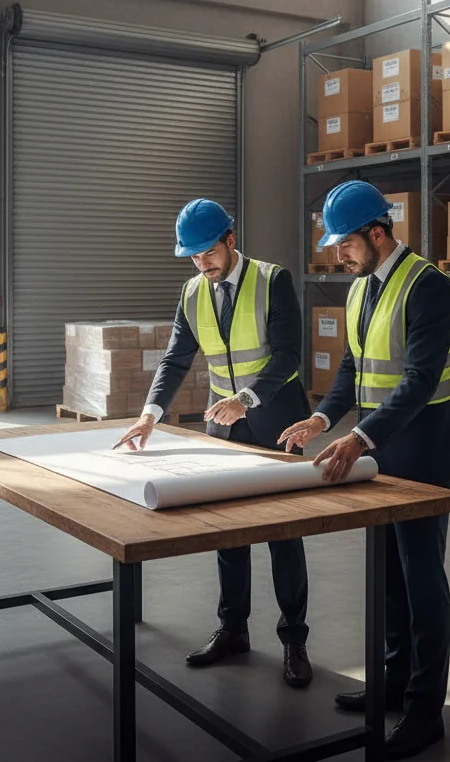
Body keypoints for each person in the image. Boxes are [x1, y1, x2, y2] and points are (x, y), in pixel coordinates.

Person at [278, 180, 450, 760]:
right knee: (387, 571)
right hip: (382, 447)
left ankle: (423, 711)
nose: (338, 253)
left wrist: (359, 438)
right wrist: (321, 418)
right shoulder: (362, 288)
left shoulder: (429, 286)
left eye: (346, 243)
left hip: (424, 450)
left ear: (377, 234)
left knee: (421, 578)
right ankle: (391, 685)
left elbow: (416, 381)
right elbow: (353, 369)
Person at [114, 198, 313, 689]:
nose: (202, 262)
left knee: (283, 536)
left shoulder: (273, 280)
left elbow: (289, 356)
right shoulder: (192, 292)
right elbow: (175, 359)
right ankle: (232, 630)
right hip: (224, 427)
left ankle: (294, 641)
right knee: (228, 536)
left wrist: (246, 398)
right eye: (193, 255)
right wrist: (149, 415)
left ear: (231, 239)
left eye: (208, 252)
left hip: (276, 426)